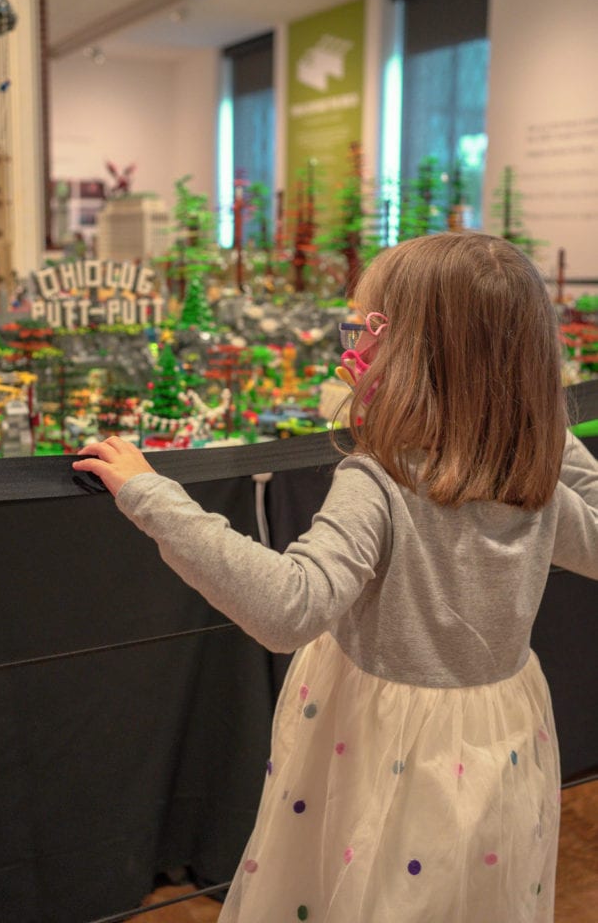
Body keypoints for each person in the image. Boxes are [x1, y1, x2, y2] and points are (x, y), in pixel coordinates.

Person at [74, 231, 598, 923]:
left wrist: (152, 496)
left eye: (365, 327)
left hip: (382, 741)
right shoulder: (535, 482)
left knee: (362, 888)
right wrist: (528, 420)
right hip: (498, 734)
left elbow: (288, 607)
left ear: (404, 350)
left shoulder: (380, 480)